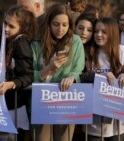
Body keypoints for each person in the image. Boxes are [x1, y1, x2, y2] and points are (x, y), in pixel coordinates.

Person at [31, 4, 85, 141]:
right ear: (49, 23)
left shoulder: (76, 41)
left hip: (65, 101)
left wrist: (72, 76)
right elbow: (30, 74)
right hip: (42, 100)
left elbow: (78, 69)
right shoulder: (37, 43)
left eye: (64, 25)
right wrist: (49, 67)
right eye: (56, 24)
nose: (60, 29)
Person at [80, 17, 124, 141]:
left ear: (112, 33)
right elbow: (80, 76)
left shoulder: (122, 51)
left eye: (104, 32)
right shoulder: (87, 52)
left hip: (117, 122)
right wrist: (97, 76)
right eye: (96, 31)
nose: (99, 35)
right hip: (92, 121)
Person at [0, 5, 36, 141]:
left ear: (22, 28)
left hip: (13, 105)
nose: (6, 28)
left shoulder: (21, 43)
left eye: (11, 26)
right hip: (2, 102)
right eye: (5, 24)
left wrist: (11, 84)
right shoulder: (5, 40)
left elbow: (28, 76)